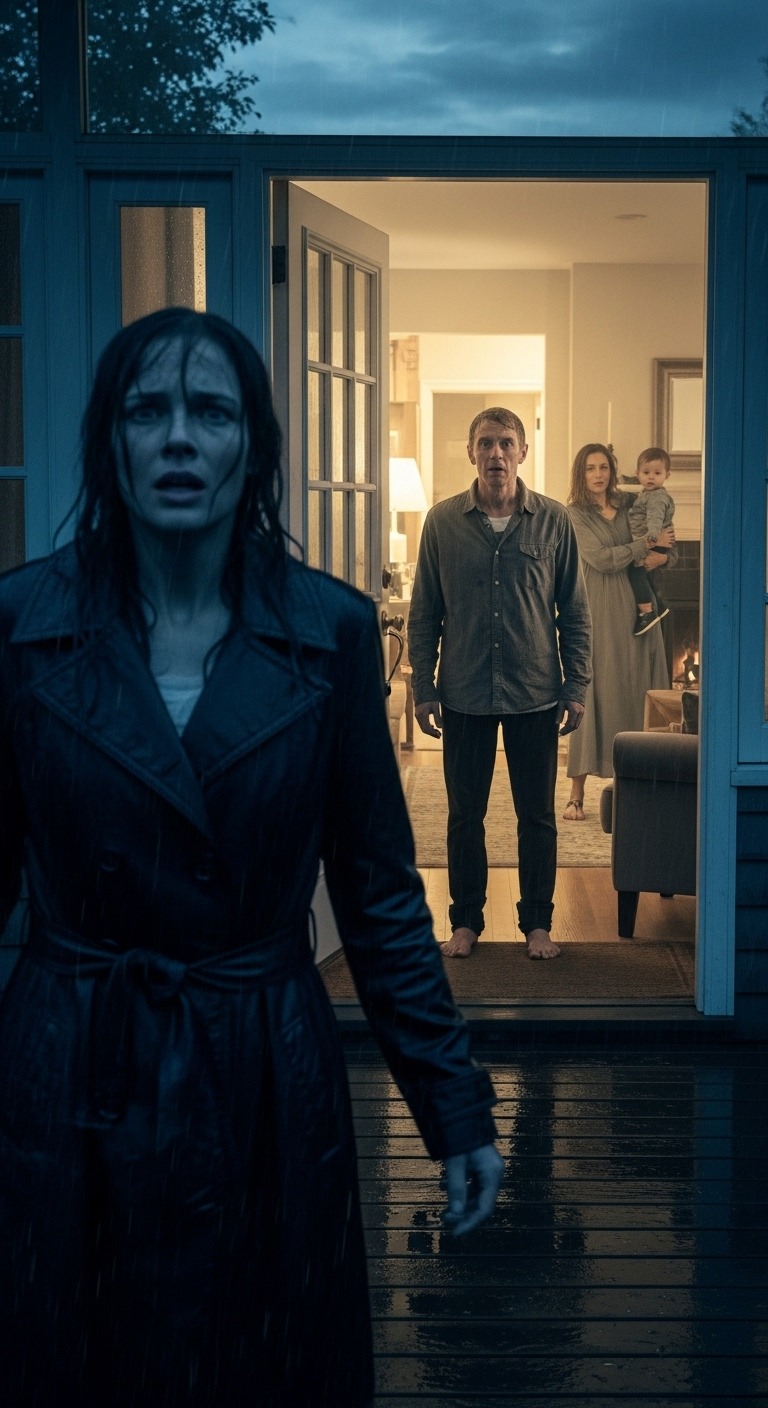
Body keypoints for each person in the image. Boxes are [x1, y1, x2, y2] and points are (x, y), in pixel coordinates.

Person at [0, 308, 503, 1408]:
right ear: (111, 439)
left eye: (212, 411)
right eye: (148, 410)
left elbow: (378, 895)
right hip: (70, 1066)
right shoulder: (21, 625)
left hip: (263, 1071)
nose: (179, 436)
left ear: (254, 444)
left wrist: (453, 1105)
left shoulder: (329, 632)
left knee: (260, 1365)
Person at [407, 408, 592, 963]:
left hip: (535, 692)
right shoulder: (441, 523)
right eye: (485, 443)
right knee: (466, 817)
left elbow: (574, 613)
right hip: (464, 693)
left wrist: (576, 685)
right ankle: (465, 922)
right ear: (471, 452)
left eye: (506, 443)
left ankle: (538, 924)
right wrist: (423, 688)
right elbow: (424, 613)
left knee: (537, 817)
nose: (496, 454)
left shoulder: (554, 521)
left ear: (523, 452)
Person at [563, 443, 676, 821]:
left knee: (641, 689)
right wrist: (644, 546)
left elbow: (668, 543)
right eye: (590, 468)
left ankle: (645, 786)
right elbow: (602, 559)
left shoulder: (633, 503)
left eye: (604, 467)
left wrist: (660, 555)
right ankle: (576, 793)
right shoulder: (574, 514)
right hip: (599, 609)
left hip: (641, 613)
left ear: (612, 470)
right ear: (580, 474)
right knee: (592, 691)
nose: (598, 474)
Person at [626, 447, 675, 636]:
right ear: (637, 474)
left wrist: (653, 536)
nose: (651, 477)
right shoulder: (646, 494)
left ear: (667, 475)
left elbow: (655, 517)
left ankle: (647, 612)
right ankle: (659, 606)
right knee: (645, 576)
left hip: (652, 539)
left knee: (635, 572)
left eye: (657, 473)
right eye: (646, 473)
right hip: (650, 540)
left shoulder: (657, 496)